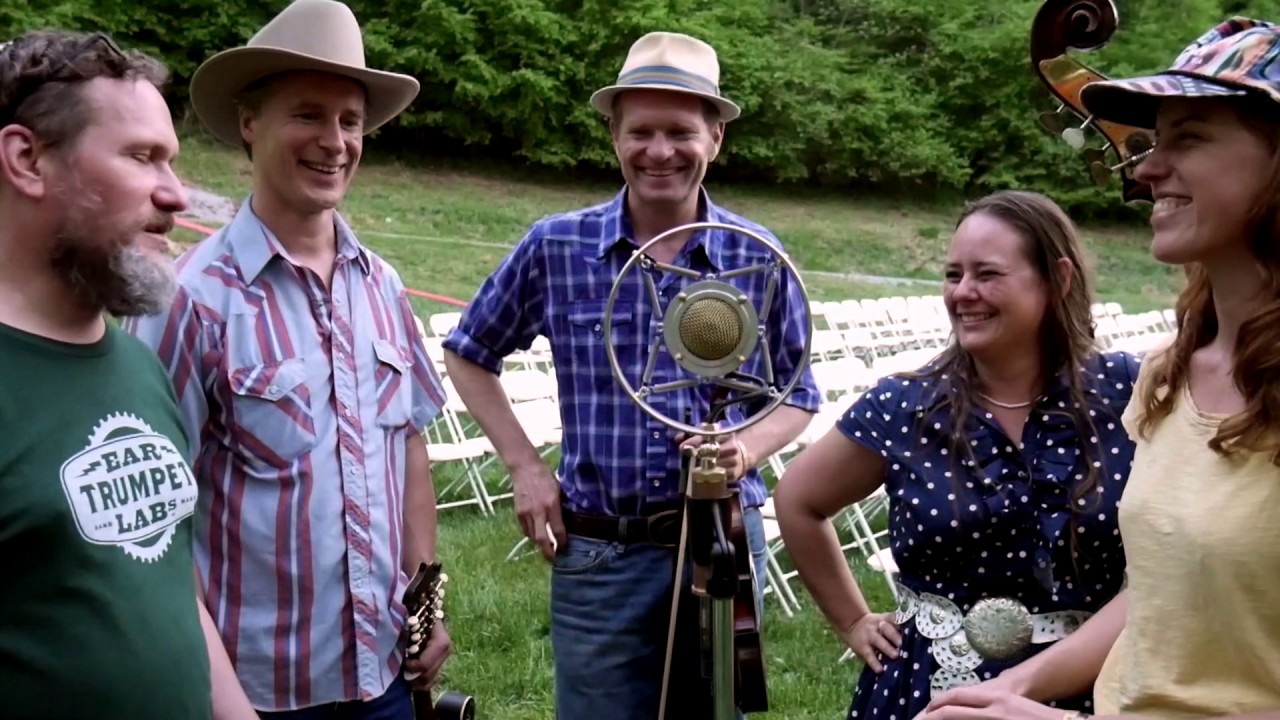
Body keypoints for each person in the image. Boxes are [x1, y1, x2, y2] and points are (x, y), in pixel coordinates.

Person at [442, 31, 820, 719]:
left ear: (715, 139)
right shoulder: (556, 245)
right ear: (613, 136)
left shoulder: (756, 255)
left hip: (722, 541)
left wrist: (744, 450)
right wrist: (526, 467)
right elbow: (469, 351)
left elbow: (797, 394)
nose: (659, 151)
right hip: (599, 553)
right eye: (640, 130)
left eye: (681, 131)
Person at [919, 18, 1280, 720]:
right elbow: (1162, 593)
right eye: (1156, 139)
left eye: (1189, 138)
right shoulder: (1167, 377)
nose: (1144, 169)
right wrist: (1016, 686)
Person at [122, 1, 452, 716]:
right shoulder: (192, 299)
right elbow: (153, 521)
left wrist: (428, 603)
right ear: (250, 122)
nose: (334, 141)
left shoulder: (383, 285)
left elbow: (410, 448)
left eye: (350, 121)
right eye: (308, 114)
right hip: (255, 693)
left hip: (388, 677)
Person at [773, 190, 1139, 719]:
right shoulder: (904, 407)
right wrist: (852, 620)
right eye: (953, 275)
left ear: (1058, 279)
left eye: (987, 274)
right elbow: (798, 500)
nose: (964, 292)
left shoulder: (1127, 392)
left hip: (1091, 682)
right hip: (929, 690)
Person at [0, 29, 257, 720]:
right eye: (143, 158)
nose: (177, 196)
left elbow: (172, 592)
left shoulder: (139, 364)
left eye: (172, 162)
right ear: (27, 159)